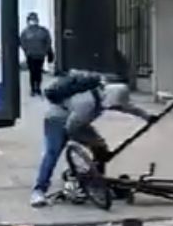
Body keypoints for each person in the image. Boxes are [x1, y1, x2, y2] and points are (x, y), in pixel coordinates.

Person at [30, 79, 155, 207]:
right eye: (112, 106)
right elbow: (72, 129)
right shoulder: (87, 102)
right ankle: (38, 191)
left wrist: (147, 117)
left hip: (77, 122)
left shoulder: (109, 96)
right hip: (57, 120)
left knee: (101, 149)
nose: (113, 109)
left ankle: (96, 182)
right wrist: (80, 144)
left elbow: (129, 108)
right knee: (52, 153)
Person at [19, 13, 54, 96]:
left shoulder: (26, 32)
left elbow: (22, 43)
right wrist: (45, 51)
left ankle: (34, 89)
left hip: (32, 55)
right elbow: (48, 42)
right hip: (38, 55)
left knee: (33, 72)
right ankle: (36, 88)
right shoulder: (43, 31)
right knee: (37, 72)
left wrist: (26, 51)